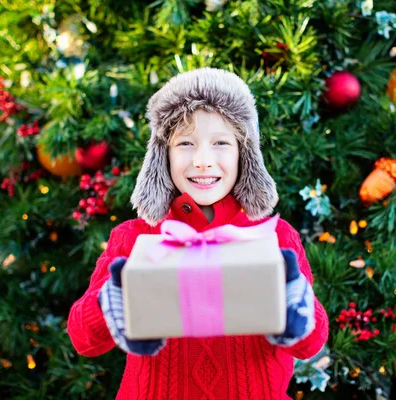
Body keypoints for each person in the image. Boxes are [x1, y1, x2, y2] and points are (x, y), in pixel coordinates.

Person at [67, 67, 329, 399]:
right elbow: (83, 339)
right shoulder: (133, 239)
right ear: (163, 156)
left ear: (243, 154)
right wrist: (109, 302)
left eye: (221, 143)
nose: (203, 160)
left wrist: (297, 309)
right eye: (186, 143)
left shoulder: (274, 237)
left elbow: (311, 342)